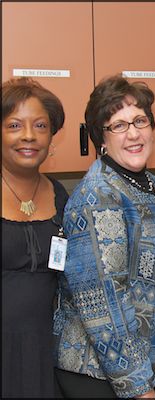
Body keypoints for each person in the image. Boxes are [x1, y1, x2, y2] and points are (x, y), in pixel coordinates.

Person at [53, 74, 155, 399]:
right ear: (101, 137)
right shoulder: (99, 196)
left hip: (141, 368)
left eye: (140, 121)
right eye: (118, 125)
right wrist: (139, 388)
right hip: (100, 374)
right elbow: (103, 305)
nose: (133, 133)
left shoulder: (149, 184)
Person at [2, 77, 69, 398]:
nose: (28, 136)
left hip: (48, 350)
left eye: (40, 125)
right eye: (14, 125)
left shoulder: (60, 195)